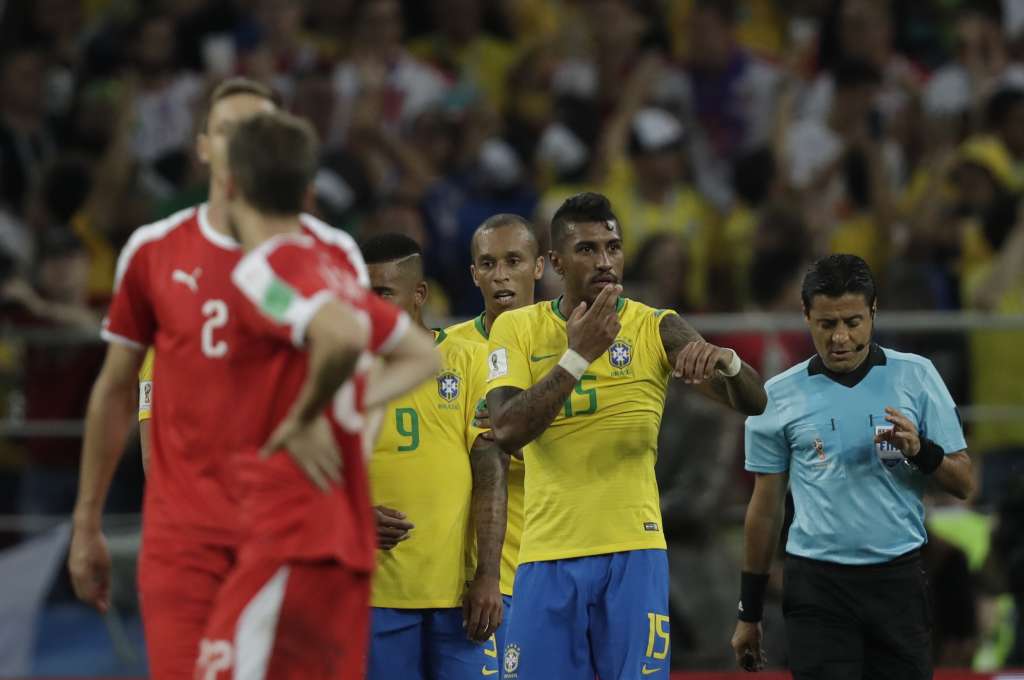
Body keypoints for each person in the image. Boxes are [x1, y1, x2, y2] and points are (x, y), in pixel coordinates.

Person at [66, 78, 360, 679]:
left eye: (257, 129)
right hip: (186, 544)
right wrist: (85, 521)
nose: (241, 142)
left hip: (292, 536)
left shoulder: (331, 252)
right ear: (202, 146)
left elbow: (363, 381)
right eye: (227, 129)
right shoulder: (153, 251)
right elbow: (115, 390)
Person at [194, 110, 438, 679]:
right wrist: (347, 409)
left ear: (233, 187)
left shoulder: (261, 274)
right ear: (306, 193)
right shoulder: (336, 273)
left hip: (286, 535)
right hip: (340, 538)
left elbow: (340, 335)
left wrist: (305, 416)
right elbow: (423, 356)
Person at [485, 191, 767, 679]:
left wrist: (728, 362)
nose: (604, 261)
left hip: (634, 554)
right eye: (587, 249)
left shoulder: (656, 327)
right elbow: (507, 430)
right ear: (556, 262)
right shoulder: (517, 328)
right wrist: (578, 356)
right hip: (548, 555)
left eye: (612, 247)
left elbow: (754, 401)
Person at [731, 254, 974, 679]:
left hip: (897, 583)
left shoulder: (917, 377)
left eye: (853, 322)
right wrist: (748, 612)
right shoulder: (777, 396)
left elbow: (964, 483)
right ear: (806, 316)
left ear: (873, 312)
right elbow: (765, 510)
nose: (840, 337)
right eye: (827, 324)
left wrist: (922, 451)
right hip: (817, 588)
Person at [362, 233, 509, 680]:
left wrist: (488, 575)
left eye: (383, 292)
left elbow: (490, 472)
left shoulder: (468, 360)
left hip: (457, 595)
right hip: (372, 596)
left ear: (419, 294)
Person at [445, 213, 545, 657]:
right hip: (462, 578)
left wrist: (514, 432)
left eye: (513, 261)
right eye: (488, 264)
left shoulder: (570, 346)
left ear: (539, 266)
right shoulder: (448, 350)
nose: (500, 275)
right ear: (474, 274)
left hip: (542, 565)